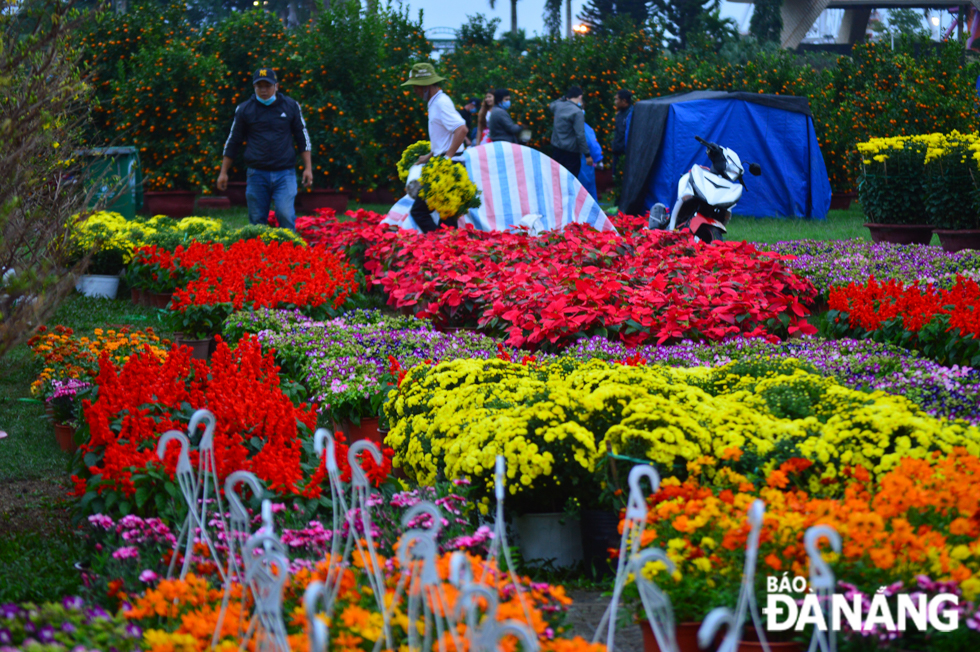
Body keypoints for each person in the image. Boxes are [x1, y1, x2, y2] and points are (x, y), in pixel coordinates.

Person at [217, 67, 312, 232]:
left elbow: (302, 137)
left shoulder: (291, 106)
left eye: (267, 85)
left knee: (285, 214)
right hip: (256, 173)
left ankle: (289, 253)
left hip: (285, 173)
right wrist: (223, 172)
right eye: (259, 86)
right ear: (254, 88)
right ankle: (258, 255)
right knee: (257, 220)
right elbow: (233, 141)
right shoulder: (245, 109)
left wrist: (308, 168)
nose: (263, 89)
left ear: (277, 86)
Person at [400, 63, 469, 233]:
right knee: (446, 216)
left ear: (426, 85)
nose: (414, 91)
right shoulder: (435, 102)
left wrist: (447, 158)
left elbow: (462, 130)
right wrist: (430, 155)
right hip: (443, 162)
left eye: (415, 87)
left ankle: (438, 246)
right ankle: (445, 250)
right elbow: (446, 137)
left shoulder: (441, 103)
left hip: (449, 166)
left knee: (421, 211)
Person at [549, 86, 591, 177]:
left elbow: (551, 105)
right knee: (570, 180)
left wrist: (563, 98)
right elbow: (580, 135)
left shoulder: (558, 106)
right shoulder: (577, 112)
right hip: (571, 154)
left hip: (557, 150)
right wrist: (587, 154)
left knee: (557, 178)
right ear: (580, 97)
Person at [577, 122, 603, 201]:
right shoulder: (583, 127)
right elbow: (591, 142)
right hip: (585, 161)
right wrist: (598, 158)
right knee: (587, 189)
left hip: (571, 159)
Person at [611, 89, 633, 172]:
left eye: (617, 99)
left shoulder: (631, 114)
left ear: (624, 101)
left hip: (626, 153)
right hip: (618, 151)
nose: (615, 102)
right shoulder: (619, 114)